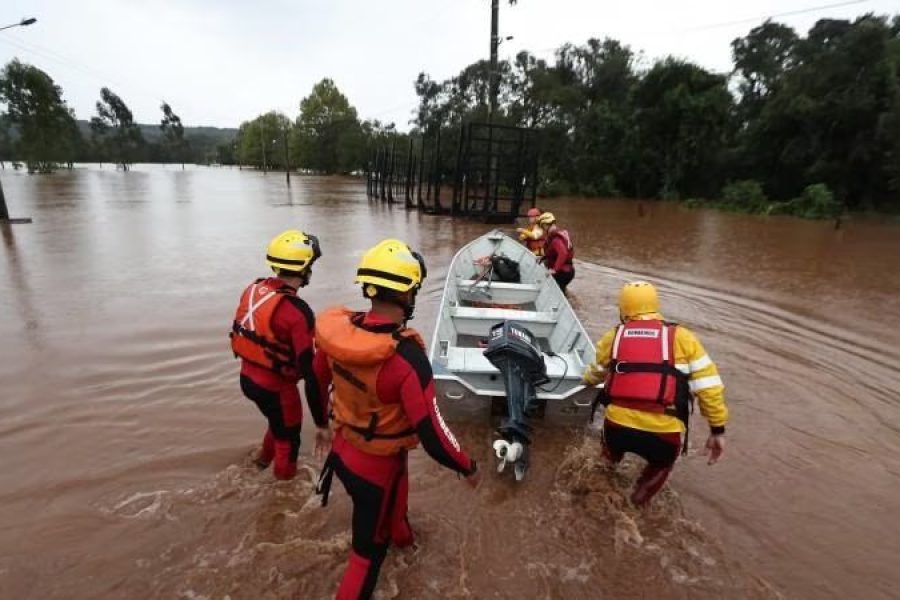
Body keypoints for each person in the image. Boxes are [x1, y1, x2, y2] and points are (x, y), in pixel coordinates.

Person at [313, 239, 480, 600]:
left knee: (394, 514)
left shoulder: (337, 335)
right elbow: (434, 434)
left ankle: (407, 547)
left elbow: (315, 379)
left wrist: (321, 426)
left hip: (342, 452)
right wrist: (467, 466)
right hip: (376, 471)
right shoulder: (406, 359)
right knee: (365, 557)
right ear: (408, 293)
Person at [582, 281, 728, 506]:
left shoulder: (614, 336)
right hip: (664, 434)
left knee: (606, 461)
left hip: (617, 427)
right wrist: (717, 430)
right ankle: (636, 504)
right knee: (659, 467)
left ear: (623, 308)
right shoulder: (683, 338)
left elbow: (596, 373)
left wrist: (585, 380)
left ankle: (594, 494)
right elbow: (709, 388)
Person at [230, 229, 329, 481]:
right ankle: (282, 494)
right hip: (277, 389)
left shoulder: (254, 289)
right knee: (289, 440)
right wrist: (321, 424)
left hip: (247, 379)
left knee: (277, 423)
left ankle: (260, 463)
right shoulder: (297, 312)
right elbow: (310, 375)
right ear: (305, 268)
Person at [537, 212, 575, 295]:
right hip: (567, 271)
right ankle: (565, 294)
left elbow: (563, 253)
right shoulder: (557, 235)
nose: (543, 229)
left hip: (563, 272)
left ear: (546, 225)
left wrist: (554, 270)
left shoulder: (556, 240)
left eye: (542, 226)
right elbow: (553, 252)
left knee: (554, 292)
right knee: (561, 290)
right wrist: (543, 257)